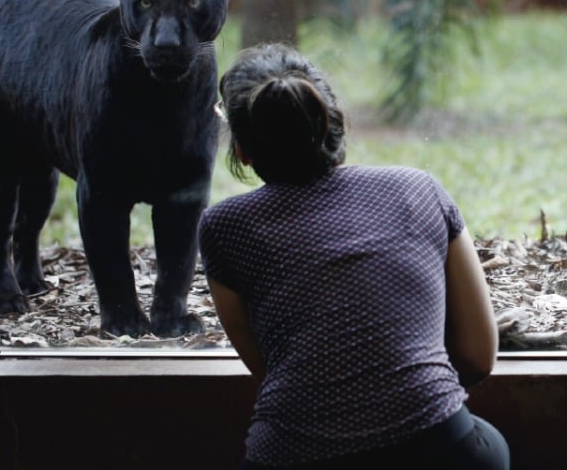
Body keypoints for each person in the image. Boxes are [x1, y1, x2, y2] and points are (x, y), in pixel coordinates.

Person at [197, 43, 510, 470]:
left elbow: (269, 367)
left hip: (292, 456)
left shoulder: (224, 226)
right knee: (487, 445)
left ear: (244, 152)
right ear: (335, 121)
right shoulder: (418, 189)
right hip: (439, 447)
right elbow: (478, 354)